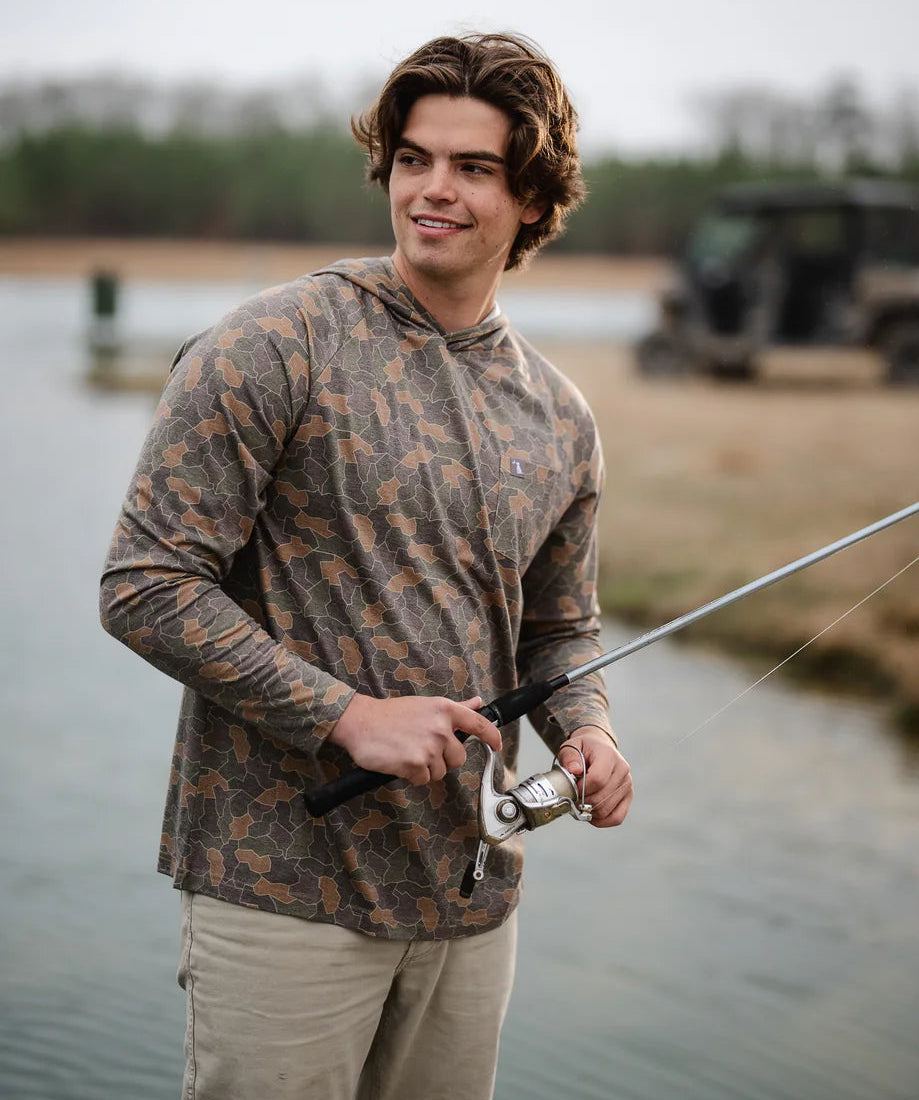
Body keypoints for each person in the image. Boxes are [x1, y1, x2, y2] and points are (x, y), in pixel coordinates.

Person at [99, 31, 632, 1100]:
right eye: (413, 158)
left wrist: (589, 731)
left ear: (532, 198)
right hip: (278, 889)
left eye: (473, 167)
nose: (432, 189)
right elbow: (145, 584)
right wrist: (348, 714)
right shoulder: (272, 345)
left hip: (471, 896)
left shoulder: (560, 417)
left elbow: (558, 627)